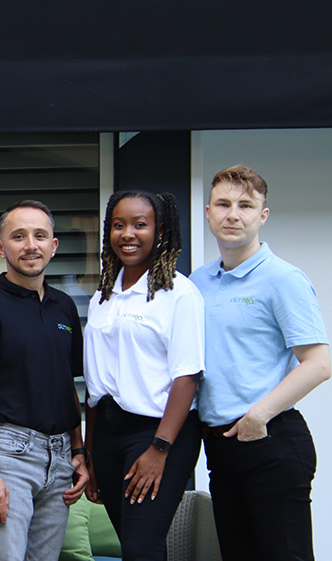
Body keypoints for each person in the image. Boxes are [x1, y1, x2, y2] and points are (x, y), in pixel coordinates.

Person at [191, 165, 330, 561]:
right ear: (208, 212)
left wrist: (258, 417)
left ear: (262, 216)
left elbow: (318, 363)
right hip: (220, 447)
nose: (233, 214)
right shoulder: (198, 283)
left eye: (246, 205)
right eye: (223, 204)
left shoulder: (282, 279)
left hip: (270, 442)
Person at [0, 200, 89, 560]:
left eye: (40, 236)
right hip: (9, 455)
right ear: (1, 247)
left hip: (61, 457)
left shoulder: (65, 308)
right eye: (18, 236)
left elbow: (67, 385)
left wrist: (78, 450)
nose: (30, 245)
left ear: (53, 245)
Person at [83, 190, 204, 561]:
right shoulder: (102, 295)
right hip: (107, 432)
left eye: (140, 224)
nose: (127, 234)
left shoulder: (179, 293)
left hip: (156, 433)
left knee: (141, 547)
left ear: (161, 231)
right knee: (135, 545)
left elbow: (188, 376)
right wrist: (90, 452)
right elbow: (94, 383)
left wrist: (159, 448)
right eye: (118, 225)